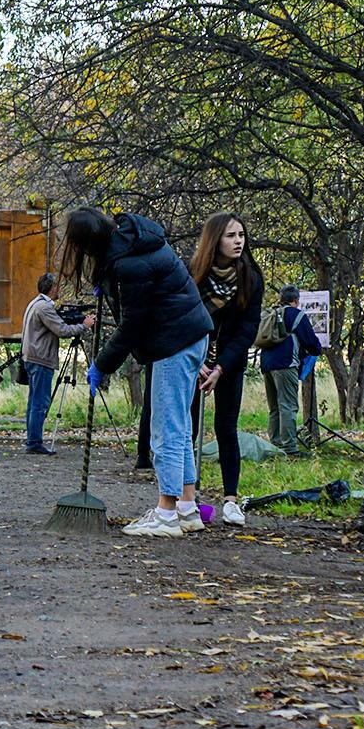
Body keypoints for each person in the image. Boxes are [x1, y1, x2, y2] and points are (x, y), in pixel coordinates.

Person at [73, 208, 213, 538]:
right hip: (191, 336)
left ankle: (165, 513)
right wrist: (108, 286)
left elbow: (133, 325)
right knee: (181, 424)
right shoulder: (134, 241)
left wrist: (102, 365)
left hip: (173, 343)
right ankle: (187, 508)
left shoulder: (130, 263)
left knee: (166, 428)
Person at [188, 213, 263, 524]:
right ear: (215, 239)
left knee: (226, 428)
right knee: (187, 429)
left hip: (230, 361)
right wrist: (200, 361)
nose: (238, 241)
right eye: (231, 235)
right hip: (194, 359)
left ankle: (231, 500)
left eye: (241, 235)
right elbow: (185, 317)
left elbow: (248, 329)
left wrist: (220, 367)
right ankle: (185, 497)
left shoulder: (251, 277)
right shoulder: (195, 274)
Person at [20, 272, 86, 455]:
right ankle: (34, 442)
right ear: (52, 288)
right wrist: (84, 325)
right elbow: (62, 330)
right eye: (57, 287)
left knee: (34, 401)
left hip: (32, 357)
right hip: (41, 358)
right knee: (40, 402)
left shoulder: (35, 303)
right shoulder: (44, 307)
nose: (59, 290)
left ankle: (32, 439)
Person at [257, 285, 324, 453]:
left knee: (274, 407)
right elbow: (311, 341)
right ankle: (289, 448)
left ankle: (275, 444)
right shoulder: (295, 314)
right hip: (286, 364)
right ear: (295, 300)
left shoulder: (271, 313)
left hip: (266, 364)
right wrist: (317, 350)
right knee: (288, 405)